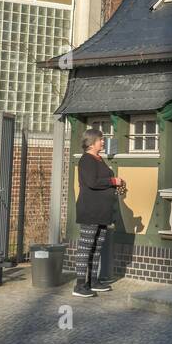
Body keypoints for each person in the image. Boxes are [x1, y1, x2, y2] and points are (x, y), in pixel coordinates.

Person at [75, 127, 122, 298]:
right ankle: (80, 284)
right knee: (86, 247)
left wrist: (116, 184)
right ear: (92, 141)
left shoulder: (99, 159)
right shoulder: (87, 160)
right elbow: (92, 182)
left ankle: (92, 281)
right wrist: (112, 180)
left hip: (102, 211)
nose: (103, 142)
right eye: (101, 139)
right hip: (90, 210)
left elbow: (104, 181)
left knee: (96, 247)